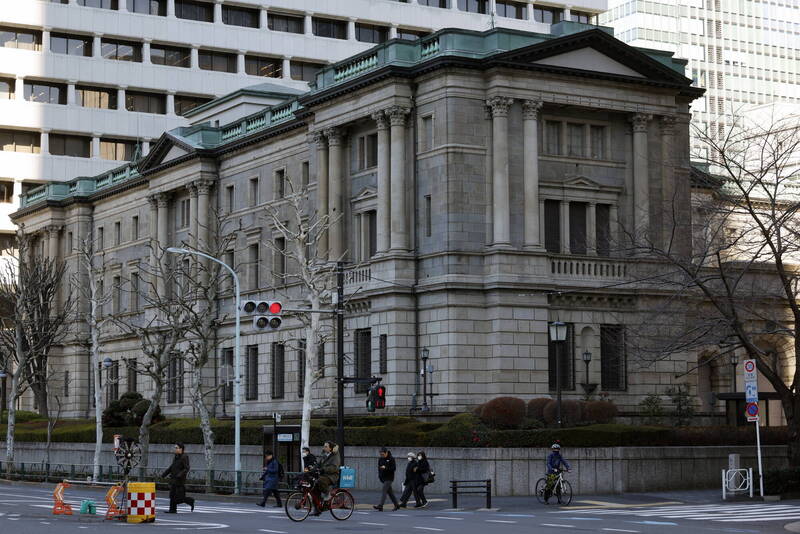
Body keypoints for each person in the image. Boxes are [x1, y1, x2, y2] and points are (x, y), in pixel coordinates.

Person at [161, 443, 195, 514]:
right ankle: (172, 510)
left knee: (179, 498)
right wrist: (164, 474)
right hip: (174, 478)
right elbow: (172, 467)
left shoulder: (184, 457)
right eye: (175, 448)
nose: (175, 449)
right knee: (172, 495)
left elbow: (186, 468)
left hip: (180, 480)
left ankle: (190, 500)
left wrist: (179, 475)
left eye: (176, 448)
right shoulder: (176, 456)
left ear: (181, 449)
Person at [314, 441, 341, 514]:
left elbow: (334, 468)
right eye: (324, 446)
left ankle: (327, 494)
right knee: (313, 488)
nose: (324, 448)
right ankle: (317, 508)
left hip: (332, 476)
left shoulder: (335, 456)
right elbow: (318, 464)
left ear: (330, 448)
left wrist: (324, 469)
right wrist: (313, 469)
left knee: (320, 480)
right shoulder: (324, 454)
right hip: (324, 475)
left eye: (326, 446)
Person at [374, 447, 399, 512]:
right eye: (381, 454)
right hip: (383, 478)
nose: (382, 455)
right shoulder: (380, 459)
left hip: (389, 478)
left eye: (383, 454)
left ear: (386, 453)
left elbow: (393, 469)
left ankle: (380, 505)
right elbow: (379, 468)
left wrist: (385, 468)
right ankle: (396, 505)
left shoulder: (391, 459)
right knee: (390, 493)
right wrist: (380, 476)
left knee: (384, 490)